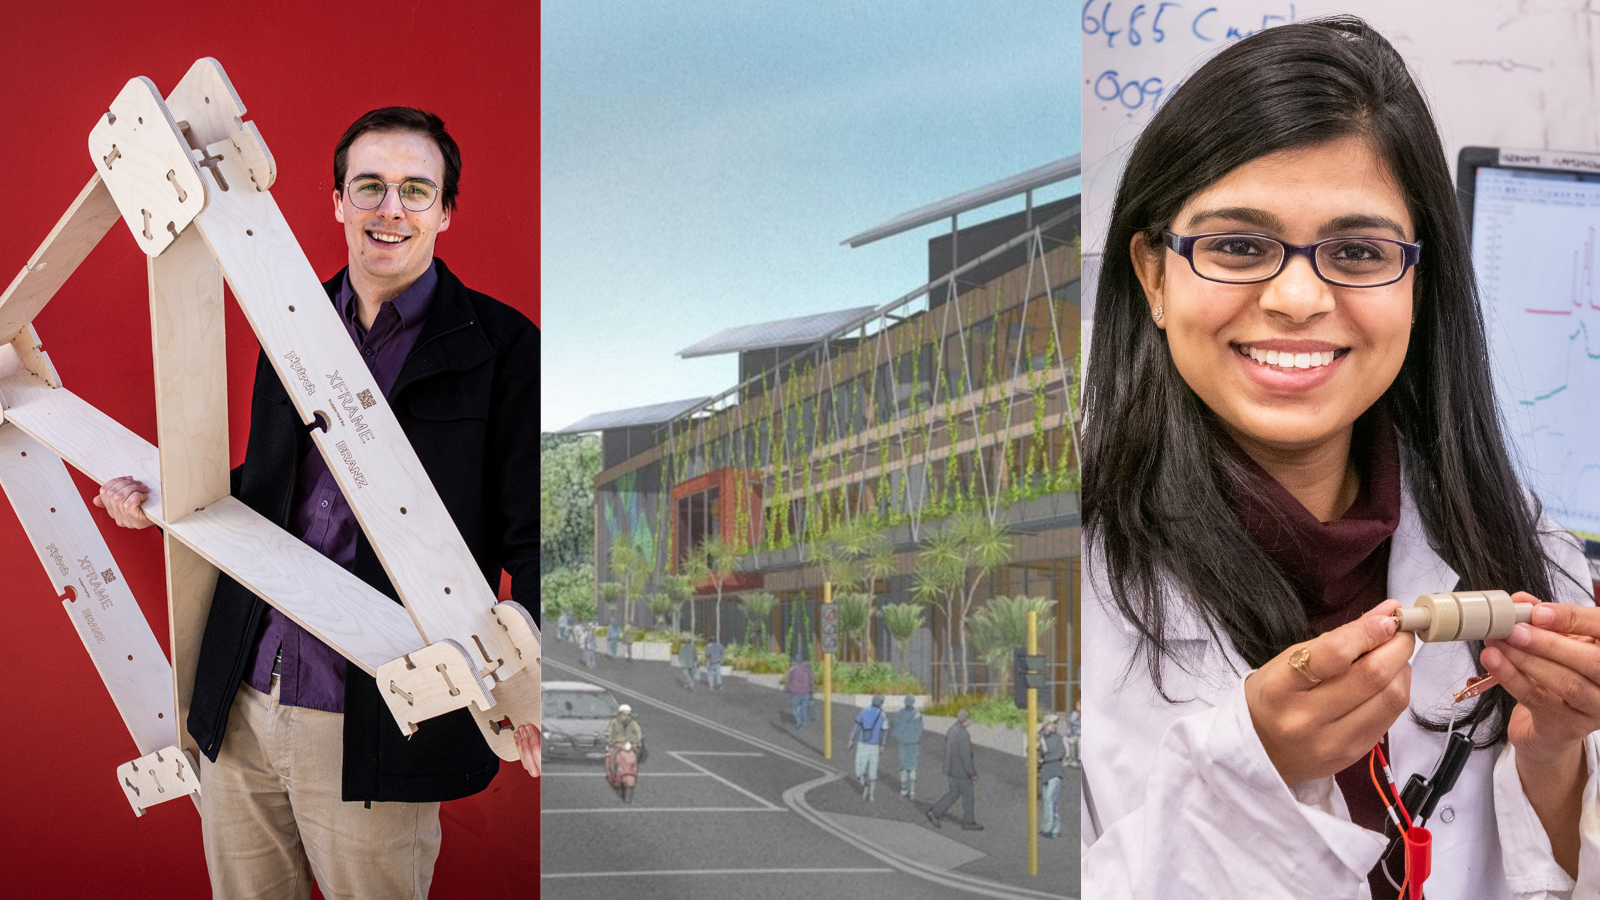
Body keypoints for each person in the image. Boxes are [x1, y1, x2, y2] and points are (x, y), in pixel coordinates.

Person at [1081, 18, 1600, 899]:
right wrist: (1256, 777)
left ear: (1418, 287)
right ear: (1154, 276)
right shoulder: (1081, 578)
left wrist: (1553, 757)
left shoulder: (1516, 543)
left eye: (1358, 252)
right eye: (1238, 245)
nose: (1295, 298)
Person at [92, 107, 540, 898]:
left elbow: (535, 533)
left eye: (414, 190)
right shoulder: (289, 321)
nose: (389, 209)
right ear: (337, 202)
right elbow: (271, 487)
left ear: (445, 212)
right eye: (368, 187)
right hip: (244, 698)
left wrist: (536, 688)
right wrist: (162, 495)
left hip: (378, 715)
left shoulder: (503, 349)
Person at [924, 709, 980, 831]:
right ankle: (968, 822)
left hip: (951, 770)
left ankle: (935, 812)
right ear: (966, 720)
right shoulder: (963, 735)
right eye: (970, 719)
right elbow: (966, 757)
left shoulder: (952, 730)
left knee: (953, 794)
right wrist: (972, 773)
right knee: (968, 796)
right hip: (961, 772)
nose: (971, 722)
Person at [848, 695, 889, 800]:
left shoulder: (864, 711)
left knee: (859, 769)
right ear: (881, 703)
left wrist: (851, 740)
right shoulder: (883, 715)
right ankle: (871, 795)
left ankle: (864, 785)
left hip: (862, 743)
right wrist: (882, 745)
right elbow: (884, 732)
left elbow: (856, 726)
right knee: (873, 770)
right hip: (874, 745)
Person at [891, 694, 924, 799]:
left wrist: (901, 737)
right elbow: (920, 729)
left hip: (903, 743)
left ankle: (903, 788)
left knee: (903, 766)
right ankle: (912, 790)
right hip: (914, 743)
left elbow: (895, 728)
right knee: (913, 765)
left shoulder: (899, 714)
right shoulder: (917, 715)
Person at [1038, 713, 1065, 840]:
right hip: (1045, 774)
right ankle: (1056, 829)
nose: (1054, 726)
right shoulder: (1041, 738)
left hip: (1055, 773)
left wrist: (1044, 759)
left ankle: (1047, 828)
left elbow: (1059, 754)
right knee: (1051, 803)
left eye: (1055, 723)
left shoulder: (1057, 738)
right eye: (1052, 723)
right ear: (1046, 724)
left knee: (1049, 800)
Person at [785, 657, 814, 727]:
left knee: (795, 707)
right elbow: (811, 681)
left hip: (796, 691)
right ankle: (804, 721)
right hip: (806, 691)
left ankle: (799, 720)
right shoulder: (807, 670)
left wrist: (787, 689)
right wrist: (811, 691)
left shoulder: (792, 670)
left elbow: (789, 680)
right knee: (804, 707)